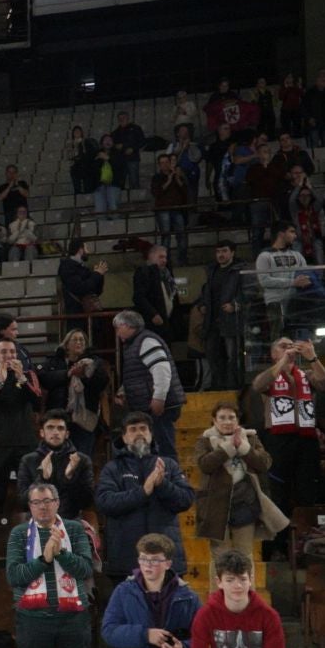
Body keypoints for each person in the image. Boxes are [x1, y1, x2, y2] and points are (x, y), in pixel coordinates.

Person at [5, 482, 96, 648]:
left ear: (57, 503)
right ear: (30, 506)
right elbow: (14, 576)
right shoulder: (19, 533)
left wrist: (61, 552)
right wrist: (44, 559)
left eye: (47, 501)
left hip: (73, 618)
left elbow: (85, 569)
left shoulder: (73, 529)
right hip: (32, 619)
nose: (42, 507)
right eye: (36, 502)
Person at [95, 412, 194, 583]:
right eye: (133, 429)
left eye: (143, 429)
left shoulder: (168, 465)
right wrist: (143, 491)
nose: (139, 433)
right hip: (126, 559)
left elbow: (186, 499)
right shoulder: (112, 468)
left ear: (150, 435)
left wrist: (163, 484)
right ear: (124, 438)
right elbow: (105, 502)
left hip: (165, 557)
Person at [194, 401, 286, 561]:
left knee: (244, 555)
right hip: (215, 505)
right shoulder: (205, 440)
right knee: (220, 556)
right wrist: (228, 448)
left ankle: (246, 586)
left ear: (237, 420)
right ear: (214, 421)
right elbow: (205, 465)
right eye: (222, 418)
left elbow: (264, 463)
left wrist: (243, 448)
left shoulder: (250, 437)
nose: (227, 422)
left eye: (231, 417)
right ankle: (219, 587)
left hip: (244, 502)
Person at [251, 336, 325, 517]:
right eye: (282, 346)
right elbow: (258, 385)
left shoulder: (306, 374)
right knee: (279, 490)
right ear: (273, 353)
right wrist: (283, 361)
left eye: (291, 346)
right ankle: (280, 540)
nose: (288, 349)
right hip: (278, 439)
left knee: (308, 489)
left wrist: (313, 357)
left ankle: (307, 534)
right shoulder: (270, 375)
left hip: (306, 438)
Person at [0, 338, 41, 510]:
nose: (9, 355)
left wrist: (22, 378)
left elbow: (37, 402)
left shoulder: (29, 376)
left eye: (12, 352)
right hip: (1, 442)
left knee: (31, 492)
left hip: (26, 441)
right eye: (4, 352)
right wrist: (0, 382)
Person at [112, 310, 185, 460]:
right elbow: (137, 374)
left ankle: (171, 480)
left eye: (117, 327)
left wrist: (158, 398)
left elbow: (161, 370)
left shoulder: (146, 341)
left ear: (125, 325)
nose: (117, 332)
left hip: (157, 407)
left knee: (164, 449)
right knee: (155, 449)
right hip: (147, 406)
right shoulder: (136, 343)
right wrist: (124, 392)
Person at [200, 241, 244, 390]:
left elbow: (249, 293)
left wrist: (236, 305)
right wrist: (202, 305)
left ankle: (234, 387)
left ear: (232, 253)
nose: (221, 254)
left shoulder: (239, 271)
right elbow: (206, 292)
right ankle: (219, 387)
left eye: (224, 251)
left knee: (233, 356)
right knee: (213, 355)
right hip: (212, 320)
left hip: (231, 320)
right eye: (218, 251)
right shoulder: (212, 271)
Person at [150, 154, 191, 261]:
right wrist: (168, 180)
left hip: (177, 209)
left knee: (181, 235)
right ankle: (165, 262)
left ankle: (182, 259)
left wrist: (176, 178)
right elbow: (156, 192)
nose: (165, 165)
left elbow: (185, 192)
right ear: (159, 165)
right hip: (163, 209)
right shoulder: (157, 177)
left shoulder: (178, 175)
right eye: (162, 163)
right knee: (166, 236)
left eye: (166, 162)